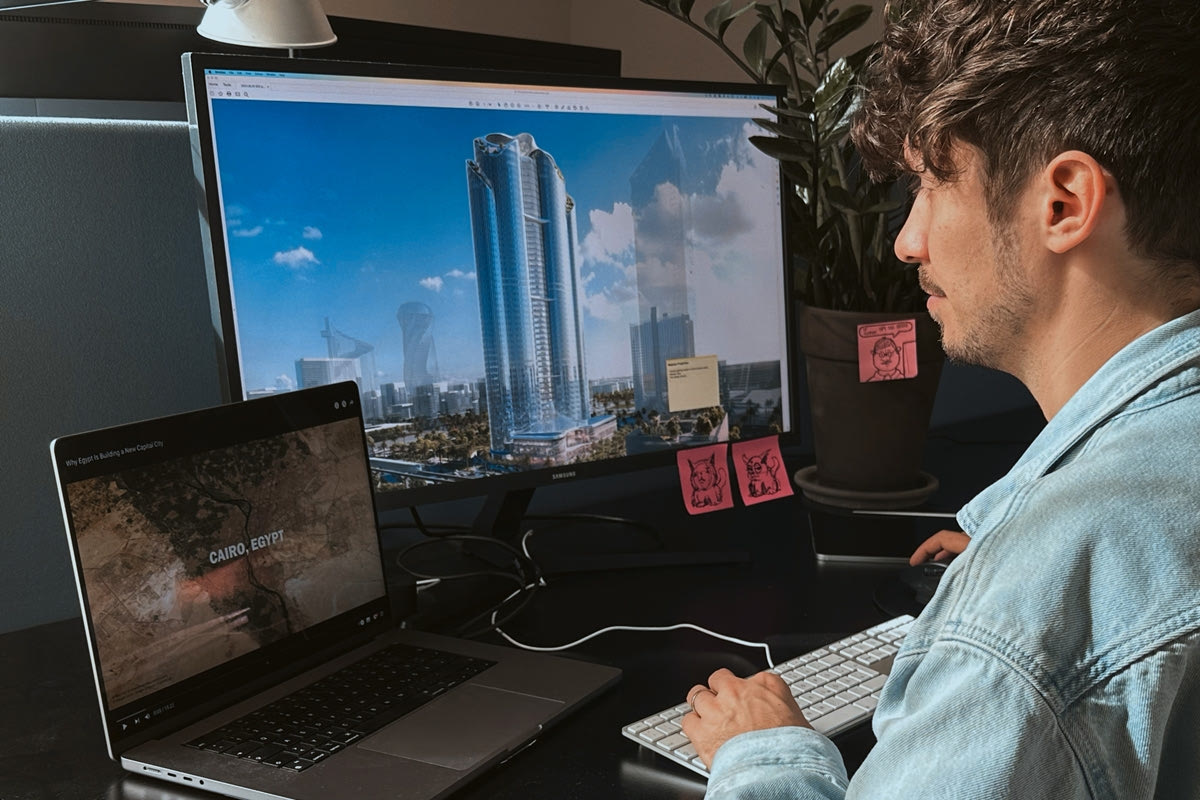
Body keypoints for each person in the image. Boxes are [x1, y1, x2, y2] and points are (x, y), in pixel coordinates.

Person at [680, 0, 1200, 797]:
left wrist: (764, 753)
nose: (906, 241)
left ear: (1064, 203)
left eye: (931, 183)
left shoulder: (1030, 607)